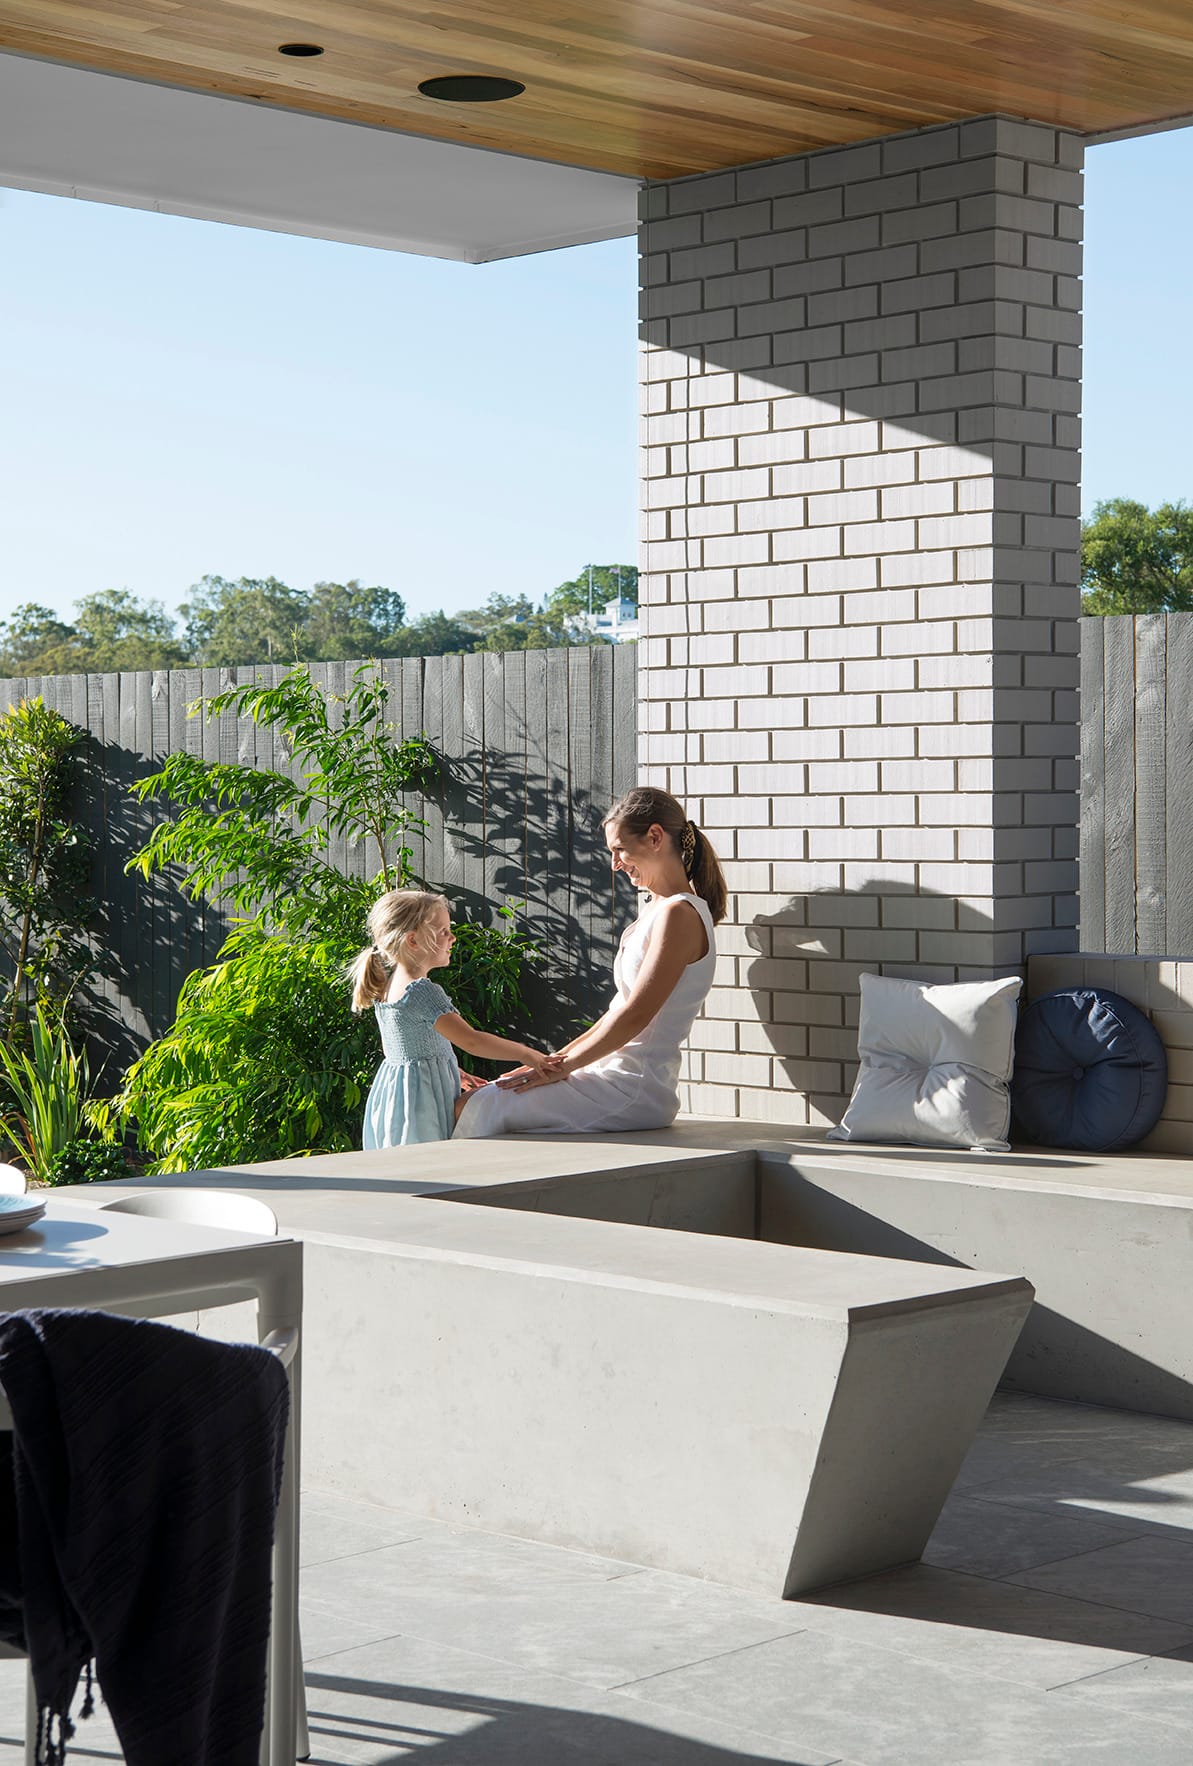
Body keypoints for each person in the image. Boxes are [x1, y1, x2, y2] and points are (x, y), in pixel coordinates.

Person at [454, 786, 726, 1138]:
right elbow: (618, 1011)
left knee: (480, 1104)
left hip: (632, 1088)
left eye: (620, 850)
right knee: (477, 1097)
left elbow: (636, 1016)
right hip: (611, 1075)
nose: (614, 864)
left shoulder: (680, 914)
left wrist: (559, 1069)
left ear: (655, 837)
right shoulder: (659, 910)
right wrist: (550, 1063)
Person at [350, 889, 558, 1147]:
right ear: (413, 941)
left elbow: (404, 1047)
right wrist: (527, 1054)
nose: (452, 938)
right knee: (429, 1160)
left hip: (396, 1095)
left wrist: (453, 1070)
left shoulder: (389, 986)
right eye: (443, 932)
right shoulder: (422, 991)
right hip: (421, 1101)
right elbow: (471, 1041)